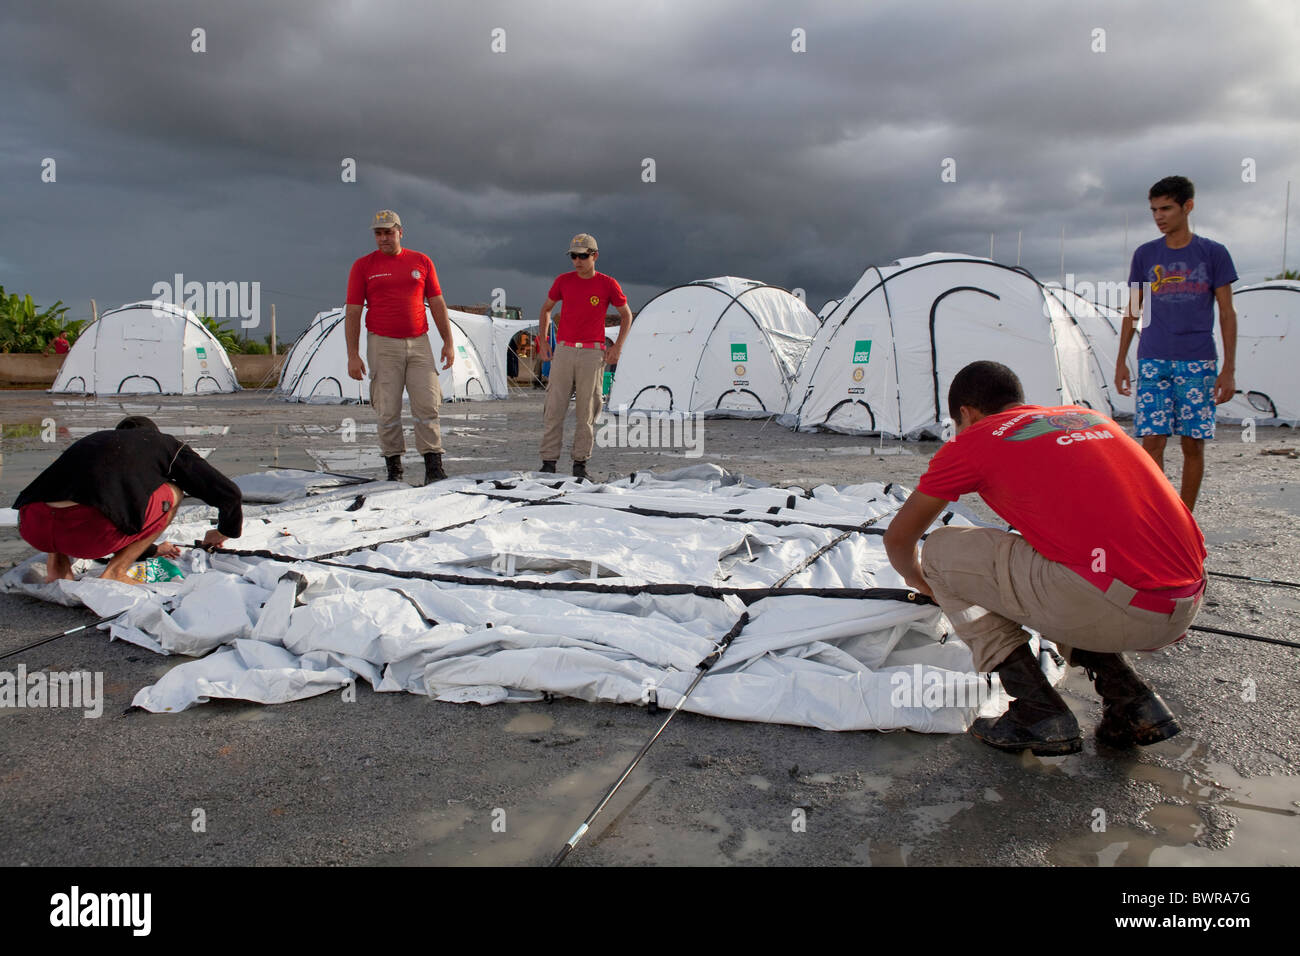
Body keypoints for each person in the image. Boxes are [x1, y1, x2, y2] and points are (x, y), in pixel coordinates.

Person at [883, 361, 1207, 756]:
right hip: (1183, 601)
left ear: (966, 413)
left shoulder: (975, 440)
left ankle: (1038, 710)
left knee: (940, 550)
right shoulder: (1086, 417)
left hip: (1115, 605)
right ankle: (1131, 699)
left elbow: (899, 540)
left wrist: (924, 583)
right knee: (1052, 557)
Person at [1116, 175, 1237, 511]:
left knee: (1193, 444)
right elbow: (1133, 310)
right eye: (1154, 210)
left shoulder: (1213, 254)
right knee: (1152, 441)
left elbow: (1227, 313)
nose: (1158, 216)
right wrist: (1120, 361)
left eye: (1166, 208)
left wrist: (1228, 369)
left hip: (1198, 361)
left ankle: (1185, 518)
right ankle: (1158, 516)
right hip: (1153, 359)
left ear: (1188, 207)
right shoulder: (1145, 254)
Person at [13, 416, 242, 584]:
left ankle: (58, 572)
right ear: (154, 433)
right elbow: (228, 492)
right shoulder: (163, 443)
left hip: (35, 525)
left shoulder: (93, 440)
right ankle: (116, 571)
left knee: (67, 489)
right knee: (173, 491)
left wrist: (153, 550)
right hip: (89, 534)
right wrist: (223, 530)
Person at [345, 210, 455, 486]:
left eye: (388, 232)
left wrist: (448, 343)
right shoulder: (363, 266)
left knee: (428, 404)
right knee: (387, 409)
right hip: (382, 343)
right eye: (378, 233)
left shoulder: (422, 261)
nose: (383, 238)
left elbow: (438, 304)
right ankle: (394, 470)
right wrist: (352, 355)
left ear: (400, 232)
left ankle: (434, 467)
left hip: (419, 342)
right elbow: (353, 312)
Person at [537, 234, 633, 479]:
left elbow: (626, 315)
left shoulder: (608, 284)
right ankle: (548, 463)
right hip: (565, 350)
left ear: (594, 256)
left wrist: (618, 347)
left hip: (593, 352)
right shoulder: (563, 281)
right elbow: (546, 309)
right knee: (554, 407)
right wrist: (543, 340)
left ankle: (580, 464)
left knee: (587, 409)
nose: (577, 261)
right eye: (573, 256)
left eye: (582, 256)